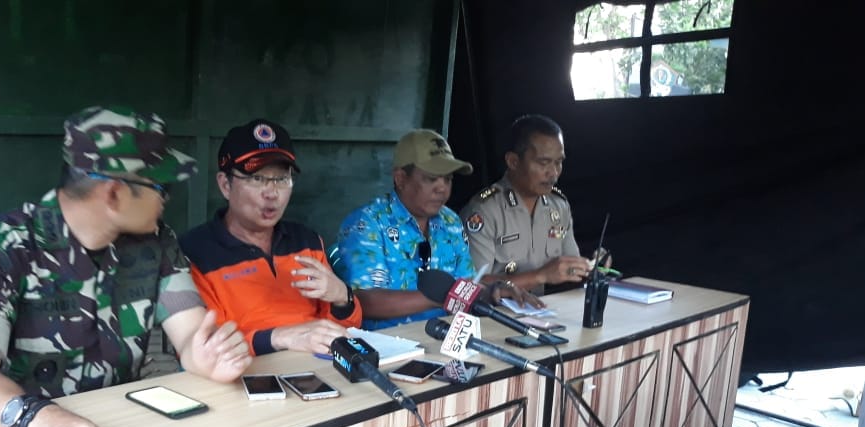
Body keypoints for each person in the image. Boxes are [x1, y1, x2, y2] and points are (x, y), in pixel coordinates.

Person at [0, 106, 252, 427]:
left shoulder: (157, 244)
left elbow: (189, 331)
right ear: (115, 193)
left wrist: (203, 356)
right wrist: (38, 418)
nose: (168, 199)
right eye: (161, 188)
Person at [178, 119, 361, 356]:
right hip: (242, 379)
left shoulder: (307, 242)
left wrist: (342, 297)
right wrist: (281, 337)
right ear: (225, 185)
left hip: (316, 369)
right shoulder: (195, 253)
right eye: (257, 178)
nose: (272, 193)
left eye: (281, 179)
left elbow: (345, 328)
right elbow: (208, 350)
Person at [334, 129, 537, 330]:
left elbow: (465, 284)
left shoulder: (450, 221)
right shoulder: (368, 222)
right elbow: (364, 302)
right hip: (387, 352)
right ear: (401, 178)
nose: (442, 188)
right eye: (431, 179)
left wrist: (492, 291)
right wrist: (444, 296)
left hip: (447, 340)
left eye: (448, 179)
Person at [459, 114, 596, 295]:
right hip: (492, 316)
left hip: (540, 312)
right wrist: (540, 276)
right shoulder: (484, 211)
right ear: (513, 162)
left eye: (559, 162)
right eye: (543, 163)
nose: (554, 173)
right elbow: (472, 284)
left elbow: (569, 267)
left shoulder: (558, 206)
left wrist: (591, 267)